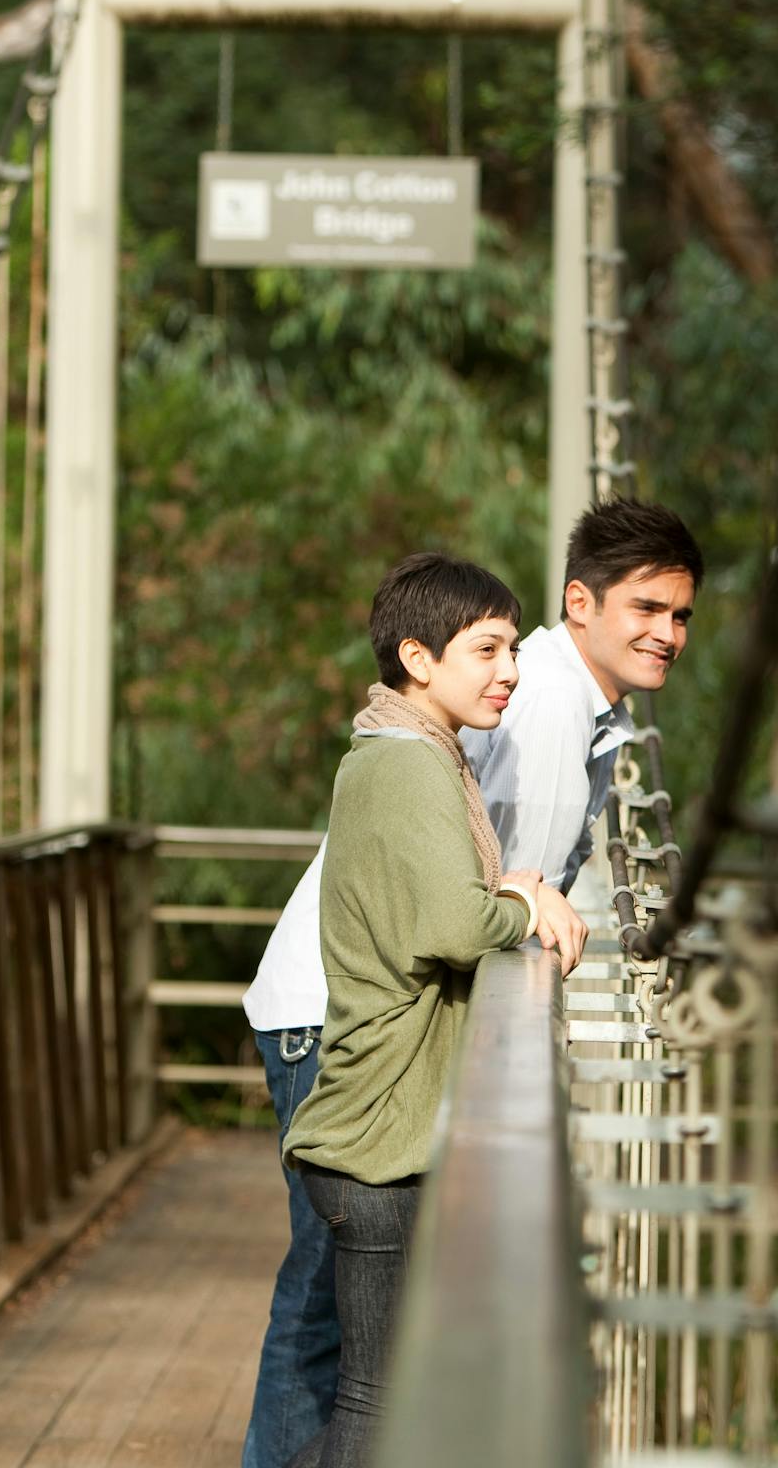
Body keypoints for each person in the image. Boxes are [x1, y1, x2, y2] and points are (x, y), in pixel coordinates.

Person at [240, 501, 704, 1468]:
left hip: (369, 1007)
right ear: (579, 604)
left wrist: (517, 891)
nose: (667, 633)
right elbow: (459, 899)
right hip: (346, 1016)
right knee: (329, 1311)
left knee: (347, 1315)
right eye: (646, 608)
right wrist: (523, 896)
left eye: (682, 615)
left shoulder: (565, 705)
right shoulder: (531, 700)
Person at [280, 552, 585, 1468]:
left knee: (377, 1405)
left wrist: (505, 886)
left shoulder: (395, 752)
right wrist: (525, 902)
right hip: (379, 1145)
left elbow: (440, 901)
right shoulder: (409, 763)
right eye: (486, 649)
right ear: (418, 657)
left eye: (511, 648)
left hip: (377, 1137)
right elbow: (455, 923)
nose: (511, 670)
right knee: (378, 1411)